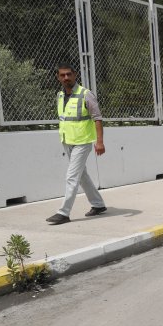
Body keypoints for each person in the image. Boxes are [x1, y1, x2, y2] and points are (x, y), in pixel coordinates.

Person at [46, 63, 107, 225]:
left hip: (83, 141)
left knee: (72, 176)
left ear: (75, 75)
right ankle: (98, 204)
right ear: (58, 77)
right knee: (81, 175)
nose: (66, 78)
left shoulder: (86, 94)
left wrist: (99, 142)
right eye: (62, 75)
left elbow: (97, 118)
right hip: (67, 141)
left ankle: (64, 212)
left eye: (68, 74)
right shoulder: (59, 96)